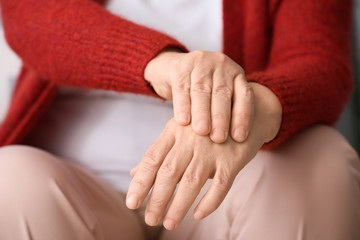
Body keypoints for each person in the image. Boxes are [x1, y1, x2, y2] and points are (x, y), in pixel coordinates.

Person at [0, 0, 359, 239]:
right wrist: (173, 69)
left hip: (227, 191)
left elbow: (319, 59)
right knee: (9, 178)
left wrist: (244, 109)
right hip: (70, 189)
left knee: (319, 160)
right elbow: (31, 17)